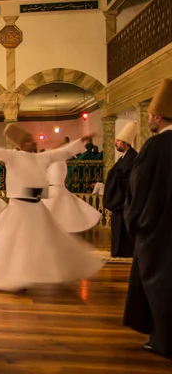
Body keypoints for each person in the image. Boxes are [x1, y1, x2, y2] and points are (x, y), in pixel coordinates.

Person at [0, 124, 104, 292]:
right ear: (21, 144)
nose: (33, 142)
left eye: (32, 139)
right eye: (28, 140)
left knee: (44, 241)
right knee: (15, 242)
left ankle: (35, 272)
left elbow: (60, 153)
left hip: (36, 205)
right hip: (19, 206)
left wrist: (81, 141)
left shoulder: (40, 158)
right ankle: (11, 275)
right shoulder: (13, 156)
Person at [123, 78, 172, 360]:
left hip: (157, 231)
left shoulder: (155, 146)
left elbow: (138, 187)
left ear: (156, 116)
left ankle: (164, 340)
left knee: (159, 283)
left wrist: (134, 222)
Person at [42, 139, 102, 233]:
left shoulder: (58, 162)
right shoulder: (57, 161)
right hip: (53, 189)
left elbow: (54, 178)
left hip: (55, 189)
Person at [103, 122, 138, 257]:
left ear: (126, 143)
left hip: (124, 199)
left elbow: (126, 177)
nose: (116, 144)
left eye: (118, 141)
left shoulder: (133, 157)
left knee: (123, 228)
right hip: (121, 199)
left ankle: (124, 252)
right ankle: (118, 251)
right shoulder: (124, 157)